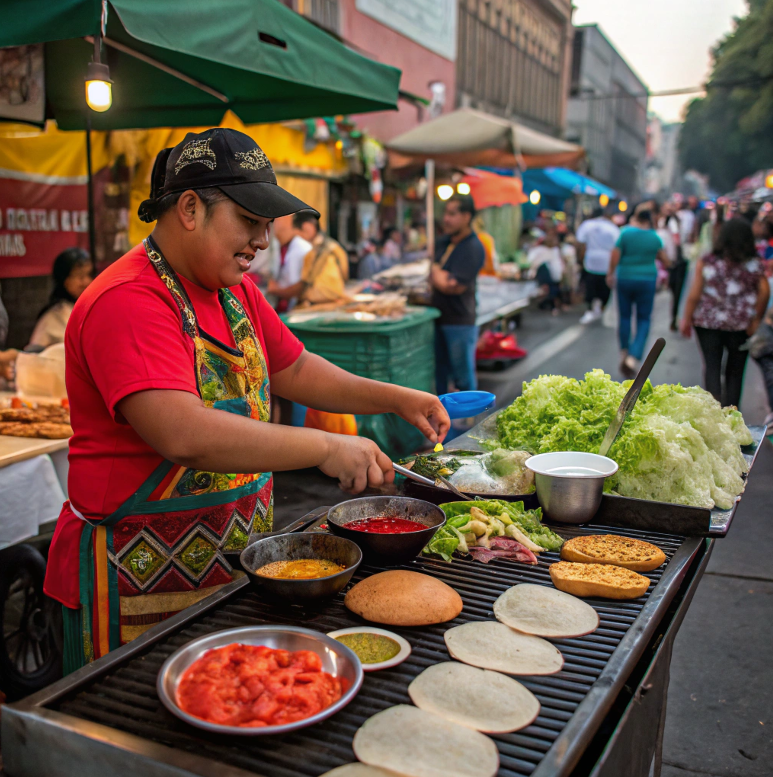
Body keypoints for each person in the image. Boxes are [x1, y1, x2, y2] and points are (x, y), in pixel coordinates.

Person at [43, 128, 450, 671]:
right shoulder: (129, 300)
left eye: (267, 226)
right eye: (250, 222)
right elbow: (184, 435)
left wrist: (394, 398)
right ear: (190, 208)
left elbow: (294, 367)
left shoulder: (233, 288)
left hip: (229, 563)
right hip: (132, 582)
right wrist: (325, 447)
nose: (263, 242)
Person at [680, 218, 769, 408]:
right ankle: (732, 414)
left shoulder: (708, 261)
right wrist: (756, 319)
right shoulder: (755, 264)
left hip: (707, 323)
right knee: (735, 372)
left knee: (711, 367)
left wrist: (686, 319)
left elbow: (695, 294)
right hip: (741, 325)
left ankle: (714, 412)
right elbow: (764, 291)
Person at [431, 195, 485, 393]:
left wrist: (434, 271)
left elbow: (452, 286)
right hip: (438, 319)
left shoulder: (473, 247)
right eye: (446, 213)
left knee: (463, 379)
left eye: (452, 214)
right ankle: (445, 422)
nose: (446, 219)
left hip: (459, 322)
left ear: (466, 216)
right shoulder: (443, 242)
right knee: (440, 376)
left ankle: (471, 420)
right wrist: (438, 273)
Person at [607, 210, 668, 377]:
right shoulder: (655, 237)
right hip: (647, 280)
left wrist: (610, 273)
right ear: (649, 221)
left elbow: (615, 254)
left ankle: (624, 352)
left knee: (625, 316)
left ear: (636, 219)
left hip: (625, 278)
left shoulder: (625, 233)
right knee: (644, 319)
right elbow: (664, 258)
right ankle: (634, 356)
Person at [269, 212, 349, 307]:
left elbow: (302, 287)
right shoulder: (335, 247)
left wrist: (275, 290)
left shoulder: (313, 253)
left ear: (307, 228)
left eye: (297, 232)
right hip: (336, 300)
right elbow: (345, 275)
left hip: (319, 304)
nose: (298, 238)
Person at [27, 247, 93, 349]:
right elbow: (33, 355)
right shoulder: (54, 316)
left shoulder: (93, 308)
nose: (86, 282)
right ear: (64, 280)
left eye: (89, 275)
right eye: (80, 277)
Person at [576, 207, 620, 323]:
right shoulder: (611, 227)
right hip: (606, 261)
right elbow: (617, 246)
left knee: (590, 286)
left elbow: (580, 242)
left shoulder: (587, 225)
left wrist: (580, 259)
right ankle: (602, 307)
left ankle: (591, 309)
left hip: (591, 260)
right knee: (604, 287)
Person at [267, 215, 311, 313]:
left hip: (294, 309)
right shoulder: (282, 246)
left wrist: (274, 289)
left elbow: (297, 290)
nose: (273, 225)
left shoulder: (301, 249)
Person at [527, 225, 564, 314]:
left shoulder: (554, 251)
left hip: (553, 276)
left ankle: (551, 305)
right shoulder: (542, 250)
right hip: (549, 277)